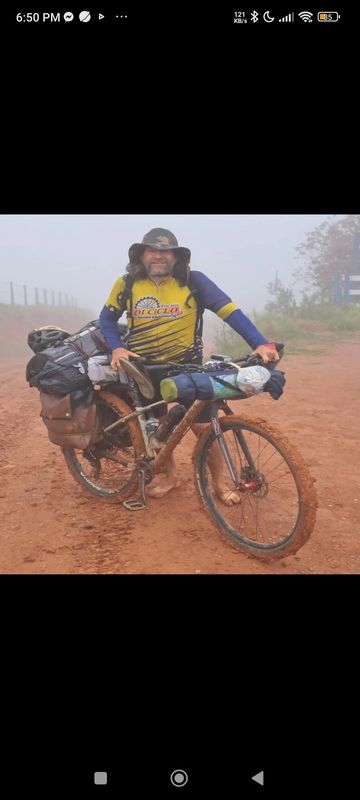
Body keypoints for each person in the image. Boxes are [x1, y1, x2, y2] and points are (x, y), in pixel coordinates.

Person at [99, 228, 279, 502]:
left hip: (188, 367)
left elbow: (230, 312)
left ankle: (219, 485)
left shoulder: (194, 282)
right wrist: (117, 347)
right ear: (141, 255)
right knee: (158, 427)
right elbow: (107, 320)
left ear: (175, 257)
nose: (158, 256)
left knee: (204, 427)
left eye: (165, 251)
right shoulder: (126, 285)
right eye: (152, 250)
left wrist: (260, 342)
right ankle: (170, 476)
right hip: (144, 368)